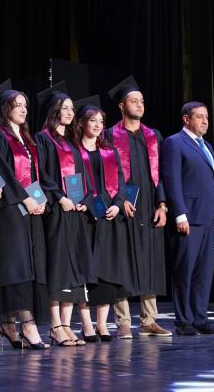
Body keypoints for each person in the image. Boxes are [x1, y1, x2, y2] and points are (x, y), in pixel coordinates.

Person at [105, 76, 171, 338]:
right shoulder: (110, 135)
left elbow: (162, 173)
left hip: (149, 205)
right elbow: (107, 172)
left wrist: (162, 204)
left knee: (150, 259)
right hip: (123, 206)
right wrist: (119, 200)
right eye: (134, 101)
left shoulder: (153, 136)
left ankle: (149, 320)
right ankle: (123, 321)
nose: (140, 105)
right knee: (122, 260)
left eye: (142, 101)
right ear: (122, 106)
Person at [0, 79, 49, 350]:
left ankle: (8, 324)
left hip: (29, 208)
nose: (23, 110)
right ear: (5, 109)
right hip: (10, 208)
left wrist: (39, 200)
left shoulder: (26, 138)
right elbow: (3, 171)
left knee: (28, 266)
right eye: (17, 105)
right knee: (15, 267)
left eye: (25, 105)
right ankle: (28, 325)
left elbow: (34, 174)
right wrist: (25, 198)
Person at [35, 81, 95, 347]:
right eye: (65, 108)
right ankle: (55, 325)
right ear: (54, 110)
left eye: (72, 108)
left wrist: (83, 201)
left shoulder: (71, 142)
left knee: (74, 268)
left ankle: (67, 325)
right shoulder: (43, 139)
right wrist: (60, 198)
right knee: (58, 266)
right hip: (57, 211)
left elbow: (81, 176)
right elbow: (42, 174)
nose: (71, 113)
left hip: (74, 211)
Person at [162, 101, 214, 336]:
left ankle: (200, 318)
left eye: (206, 116)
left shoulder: (206, 145)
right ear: (186, 119)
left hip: (208, 217)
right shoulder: (174, 142)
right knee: (185, 270)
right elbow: (172, 179)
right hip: (189, 216)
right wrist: (180, 214)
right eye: (199, 116)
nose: (205, 121)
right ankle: (184, 321)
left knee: (204, 272)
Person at [76, 96, 132, 341]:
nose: (98, 125)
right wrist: (91, 205)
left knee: (107, 271)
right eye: (93, 120)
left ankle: (102, 324)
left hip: (109, 217)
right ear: (82, 123)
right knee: (86, 271)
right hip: (86, 217)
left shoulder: (110, 152)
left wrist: (118, 206)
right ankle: (86, 324)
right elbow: (74, 183)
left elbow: (121, 183)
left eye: (101, 121)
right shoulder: (73, 152)